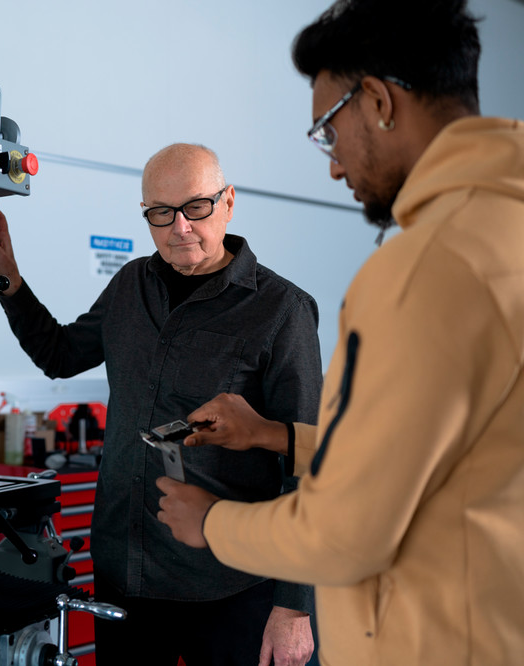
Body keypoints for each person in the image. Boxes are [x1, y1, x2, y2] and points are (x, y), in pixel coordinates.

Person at [155, 1, 524, 665]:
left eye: (328, 130)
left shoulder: (424, 269)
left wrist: (209, 520)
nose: (332, 166)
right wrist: (272, 434)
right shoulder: (506, 229)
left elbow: (345, 529)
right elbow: (448, 453)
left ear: (378, 101)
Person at [0, 143, 322, 665]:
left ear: (228, 202)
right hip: (128, 575)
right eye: (161, 213)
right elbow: (59, 353)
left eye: (196, 207)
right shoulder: (129, 287)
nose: (180, 227)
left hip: (231, 585)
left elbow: (307, 463)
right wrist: (10, 281)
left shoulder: (281, 310)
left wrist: (294, 608)